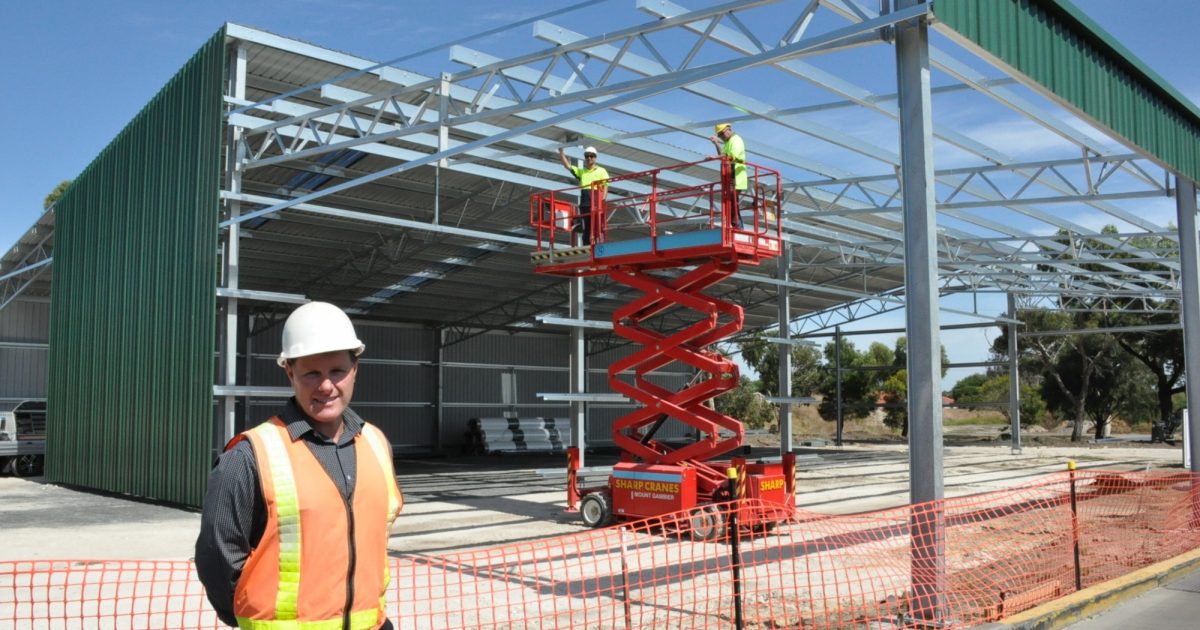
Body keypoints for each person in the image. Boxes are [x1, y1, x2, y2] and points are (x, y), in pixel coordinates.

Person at [195, 301, 403, 630]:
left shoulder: (376, 444)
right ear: (290, 372)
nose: (325, 386)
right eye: (311, 374)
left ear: (355, 369)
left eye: (337, 371)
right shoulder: (251, 455)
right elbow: (216, 555)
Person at [558, 145, 609, 246]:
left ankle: (599, 245)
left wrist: (603, 201)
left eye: (591, 156)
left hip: (596, 204)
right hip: (585, 204)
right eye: (587, 156)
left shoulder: (601, 171)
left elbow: (605, 187)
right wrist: (561, 153)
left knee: (597, 227)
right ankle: (587, 246)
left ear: (595, 157)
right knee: (587, 228)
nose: (589, 158)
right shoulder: (582, 172)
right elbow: (567, 166)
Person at [709, 122, 746, 229]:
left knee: (732, 202)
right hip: (731, 175)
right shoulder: (728, 142)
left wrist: (715, 157)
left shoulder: (736, 140)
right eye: (719, 135)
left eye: (722, 134)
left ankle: (738, 228)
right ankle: (736, 226)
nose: (721, 136)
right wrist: (716, 143)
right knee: (730, 202)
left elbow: (731, 156)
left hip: (737, 175)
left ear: (729, 130)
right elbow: (723, 155)